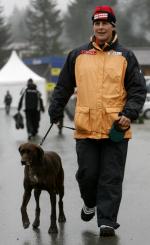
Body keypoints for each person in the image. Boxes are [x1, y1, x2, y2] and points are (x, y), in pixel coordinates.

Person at [48, 5, 146, 236]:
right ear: (93, 26)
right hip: (85, 129)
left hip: (116, 129)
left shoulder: (126, 56)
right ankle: (89, 202)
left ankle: (107, 221)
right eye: (97, 23)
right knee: (87, 175)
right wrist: (55, 110)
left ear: (113, 26)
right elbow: (63, 86)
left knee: (111, 177)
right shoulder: (78, 55)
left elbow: (137, 90)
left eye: (105, 23)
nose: (101, 27)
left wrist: (129, 114)